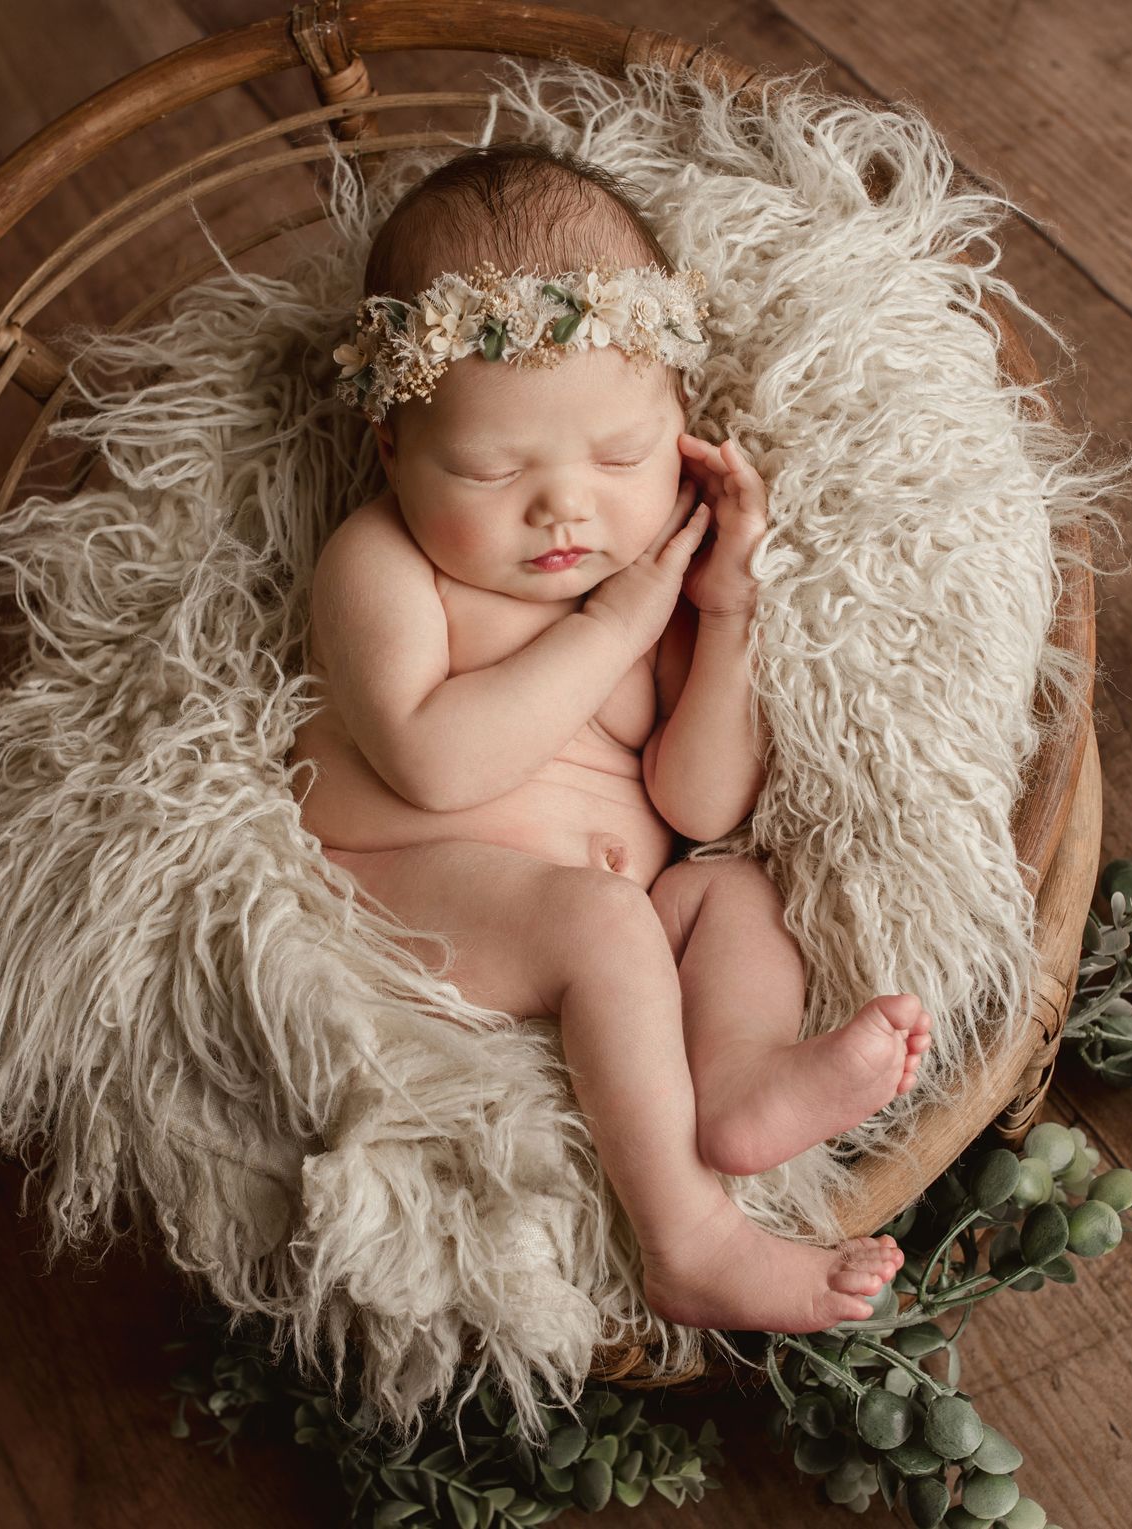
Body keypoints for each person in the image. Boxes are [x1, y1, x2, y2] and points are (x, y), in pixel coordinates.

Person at [288, 142, 932, 1333]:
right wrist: (618, 621)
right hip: (410, 904)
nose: (565, 506)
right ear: (392, 449)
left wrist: (722, 613)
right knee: (602, 919)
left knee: (733, 889)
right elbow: (434, 762)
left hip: (610, 927)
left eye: (620, 455)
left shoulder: (654, 574)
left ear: (677, 423)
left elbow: (699, 801)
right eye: (490, 468)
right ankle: (688, 1238)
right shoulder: (382, 564)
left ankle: (736, 1079)